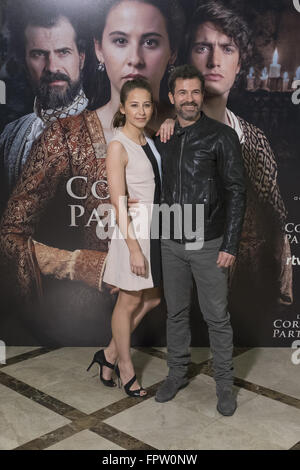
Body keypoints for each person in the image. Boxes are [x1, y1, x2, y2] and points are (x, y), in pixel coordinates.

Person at [158, 1, 293, 343]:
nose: (214, 61)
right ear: (186, 57)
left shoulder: (254, 140)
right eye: (203, 47)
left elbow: (275, 225)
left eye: (226, 48)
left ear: (239, 62)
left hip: (239, 307)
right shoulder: (160, 133)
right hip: (168, 304)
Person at [154, 64, 246, 416]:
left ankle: (224, 385)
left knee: (216, 318)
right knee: (175, 313)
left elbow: (237, 192)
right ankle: (175, 374)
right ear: (172, 97)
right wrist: (167, 124)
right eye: (182, 93)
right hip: (171, 240)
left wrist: (230, 244)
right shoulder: (165, 134)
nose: (189, 99)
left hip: (209, 242)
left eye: (195, 92)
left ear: (201, 96)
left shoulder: (222, 136)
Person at [88, 78, 162, 397]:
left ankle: (108, 355)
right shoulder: (118, 145)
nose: (141, 110)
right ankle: (126, 368)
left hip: (154, 229)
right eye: (134, 104)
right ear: (122, 108)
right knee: (130, 299)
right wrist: (133, 248)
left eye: (146, 104)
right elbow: (118, 202)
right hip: (134, 233)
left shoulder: (148, 139)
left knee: (154, 298)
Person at [0, 0, 89, 211]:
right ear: (24, 61)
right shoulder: (10, 135)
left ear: (82, 59)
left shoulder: (114, 132)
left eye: (63, 52)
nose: (52, 66)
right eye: (39, 54)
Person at [87, 0, 184, 139]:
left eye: (150, 42)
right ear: (99, 49)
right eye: (120, 41)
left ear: (173, 52)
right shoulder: (64, 139)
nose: (135, 59)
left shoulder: (198, 131)